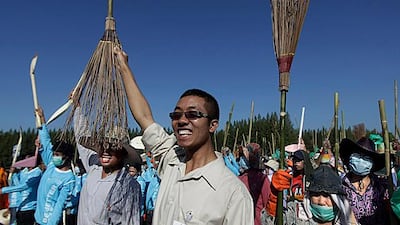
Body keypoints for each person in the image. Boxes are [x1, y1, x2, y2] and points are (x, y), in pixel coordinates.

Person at [116, 46, 254, 225]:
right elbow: (144, 118)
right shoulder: (172, 162)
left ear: (213, 125)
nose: (181, 121)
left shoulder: (233, 193)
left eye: (193, 114)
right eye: (176, 114)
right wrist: (123, 67)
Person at [73, 104, 142, 225]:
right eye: (102, 147)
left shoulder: (129, 185)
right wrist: (77, 108)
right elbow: (81, 136)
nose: (105, 152)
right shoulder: (94, 168)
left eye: (113, 148)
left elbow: (131, 221)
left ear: (123, 154)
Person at [262, 163, 357, 225]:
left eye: (327, 196)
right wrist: (274, 199)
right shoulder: (296, 215)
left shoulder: (347, 219)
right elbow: (272, 222)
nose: (321, 201)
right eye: (316, 194)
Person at [35, 107, 76, 225]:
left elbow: (59, 205)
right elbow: (46, 142)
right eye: (54, 154)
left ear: (66, 157)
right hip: (37, 219)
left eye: (57, 155)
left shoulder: (69, 179)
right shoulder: (52, 165)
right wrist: (42, 119)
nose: (54, 157)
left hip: (48, 222)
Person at [339, 136, 389, 225]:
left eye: (366, 158)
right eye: (357, 155)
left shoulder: (382, 187)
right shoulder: (339, 186)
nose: (361, 160)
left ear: (373, 163)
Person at [0, 152, 42, 225]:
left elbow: (24, 186)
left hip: (30, 207)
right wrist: (14, 174)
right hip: (20, 207)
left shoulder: (37, 173)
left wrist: (3, 190)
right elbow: (17, 186)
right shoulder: (23, 172)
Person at [238, 143, 271, 225]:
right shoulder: (240, 178)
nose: (241, 159)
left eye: (243, 157)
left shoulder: (262, 179)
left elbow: (268, 202)